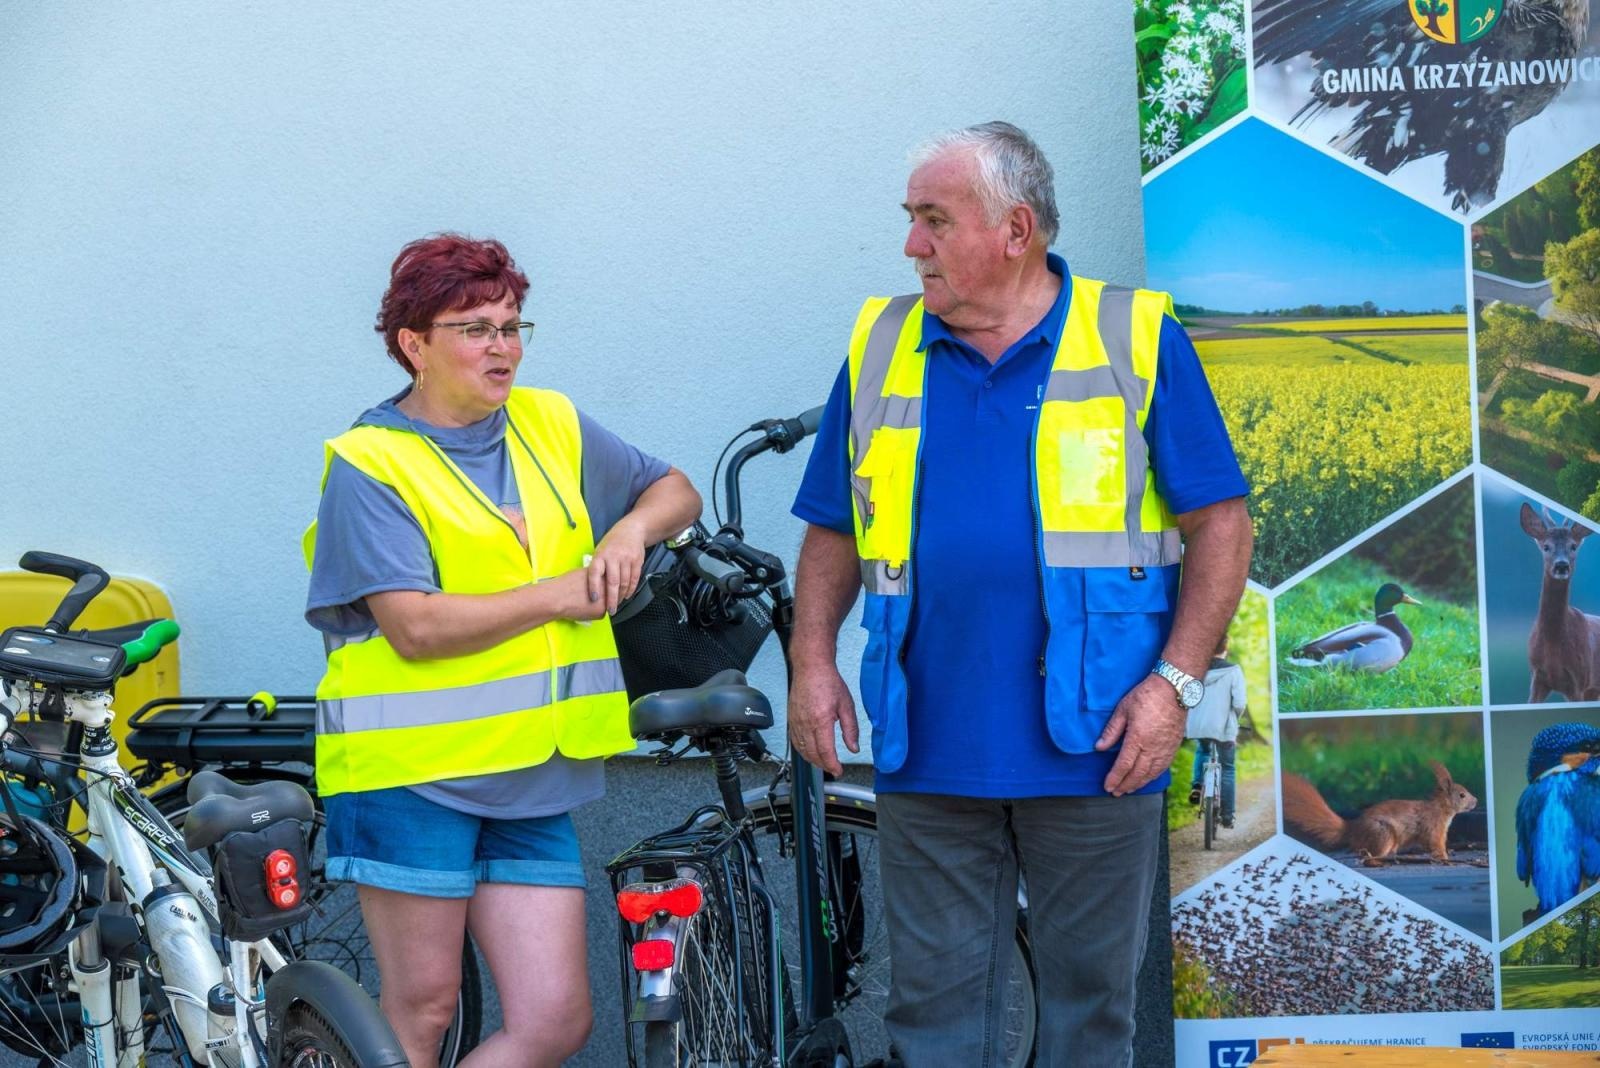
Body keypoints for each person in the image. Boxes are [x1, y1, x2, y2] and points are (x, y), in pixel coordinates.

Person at [787, 122, 1252, 1066]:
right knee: (931, 1023)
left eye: (933, 220)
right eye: (912, 220)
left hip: (1097, 744)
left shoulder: (1133, 337)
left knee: (1090, 1020)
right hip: (928, 744)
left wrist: (1174, 686)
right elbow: (834, 526)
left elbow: (1223, 525)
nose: (912, 244)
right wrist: (810, 663)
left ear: (1016, 229)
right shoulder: (882, 345)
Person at [303, 233, 701, 1068]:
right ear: (415, 344)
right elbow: (414, 626)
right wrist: (565, 591)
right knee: (421, 1013)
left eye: (513, 326)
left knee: (555, 1022)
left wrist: (628, 530)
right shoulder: (370, 462)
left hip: (530, 774)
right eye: (475, 328)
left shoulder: (549, 421)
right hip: (411, 775)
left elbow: (675, 489)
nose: (503, 348)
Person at [1185, 635, 1247, 828]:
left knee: (1202, 751)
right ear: (1225, 647)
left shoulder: (1195, 669)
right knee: (1227, 767)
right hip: (1224, 727)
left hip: (1200, 725)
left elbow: (1187, 698)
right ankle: (1228, 817)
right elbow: (1239, 703)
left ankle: (1197, 785)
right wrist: (1235, 717)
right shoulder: (1234, 671)